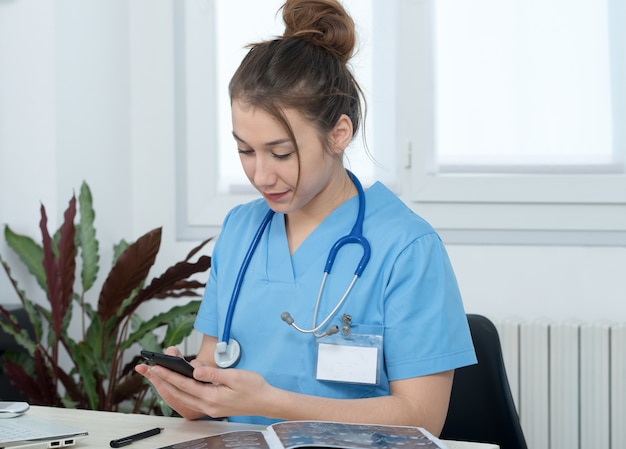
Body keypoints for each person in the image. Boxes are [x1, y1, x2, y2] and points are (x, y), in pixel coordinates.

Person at [136, 0, 476, 437]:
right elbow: (212, 382)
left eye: (281, 153)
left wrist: (267, 401)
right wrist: (191, 391)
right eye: (245, 150)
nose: (260, 174)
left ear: (339, 134)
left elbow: (422, 418)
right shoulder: (241, 231)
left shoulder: (406, 248)